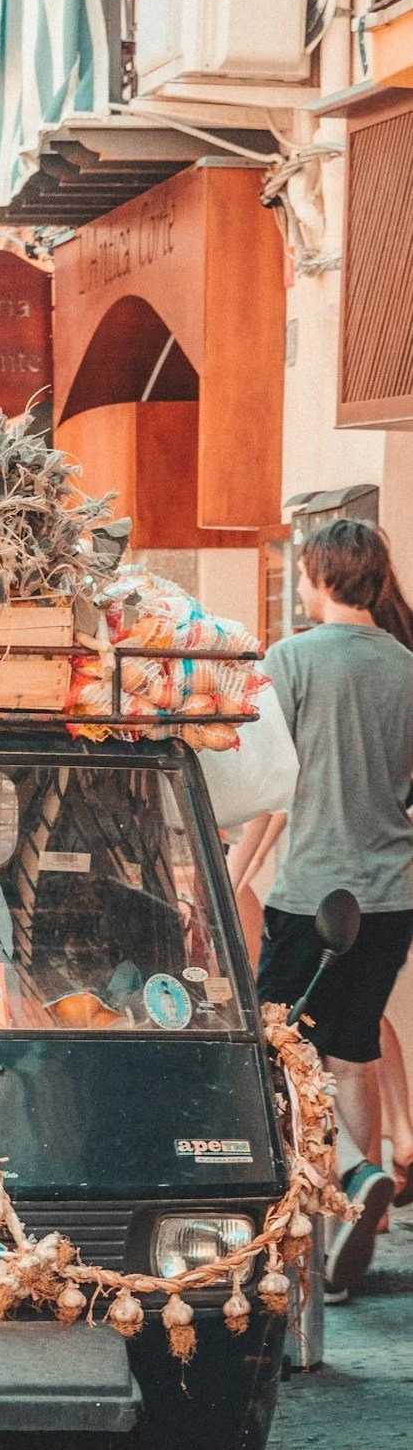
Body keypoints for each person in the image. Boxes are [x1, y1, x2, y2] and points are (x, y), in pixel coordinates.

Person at [254, 519, 413, 1295]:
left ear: (317, 576)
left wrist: (231, 864)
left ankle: (346, 1180)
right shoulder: (408, 669)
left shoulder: (290, 660)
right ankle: (358, 1213)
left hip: (310, 895)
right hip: (389, 897)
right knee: (351, 1051)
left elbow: (268, 784)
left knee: (278, 1054)